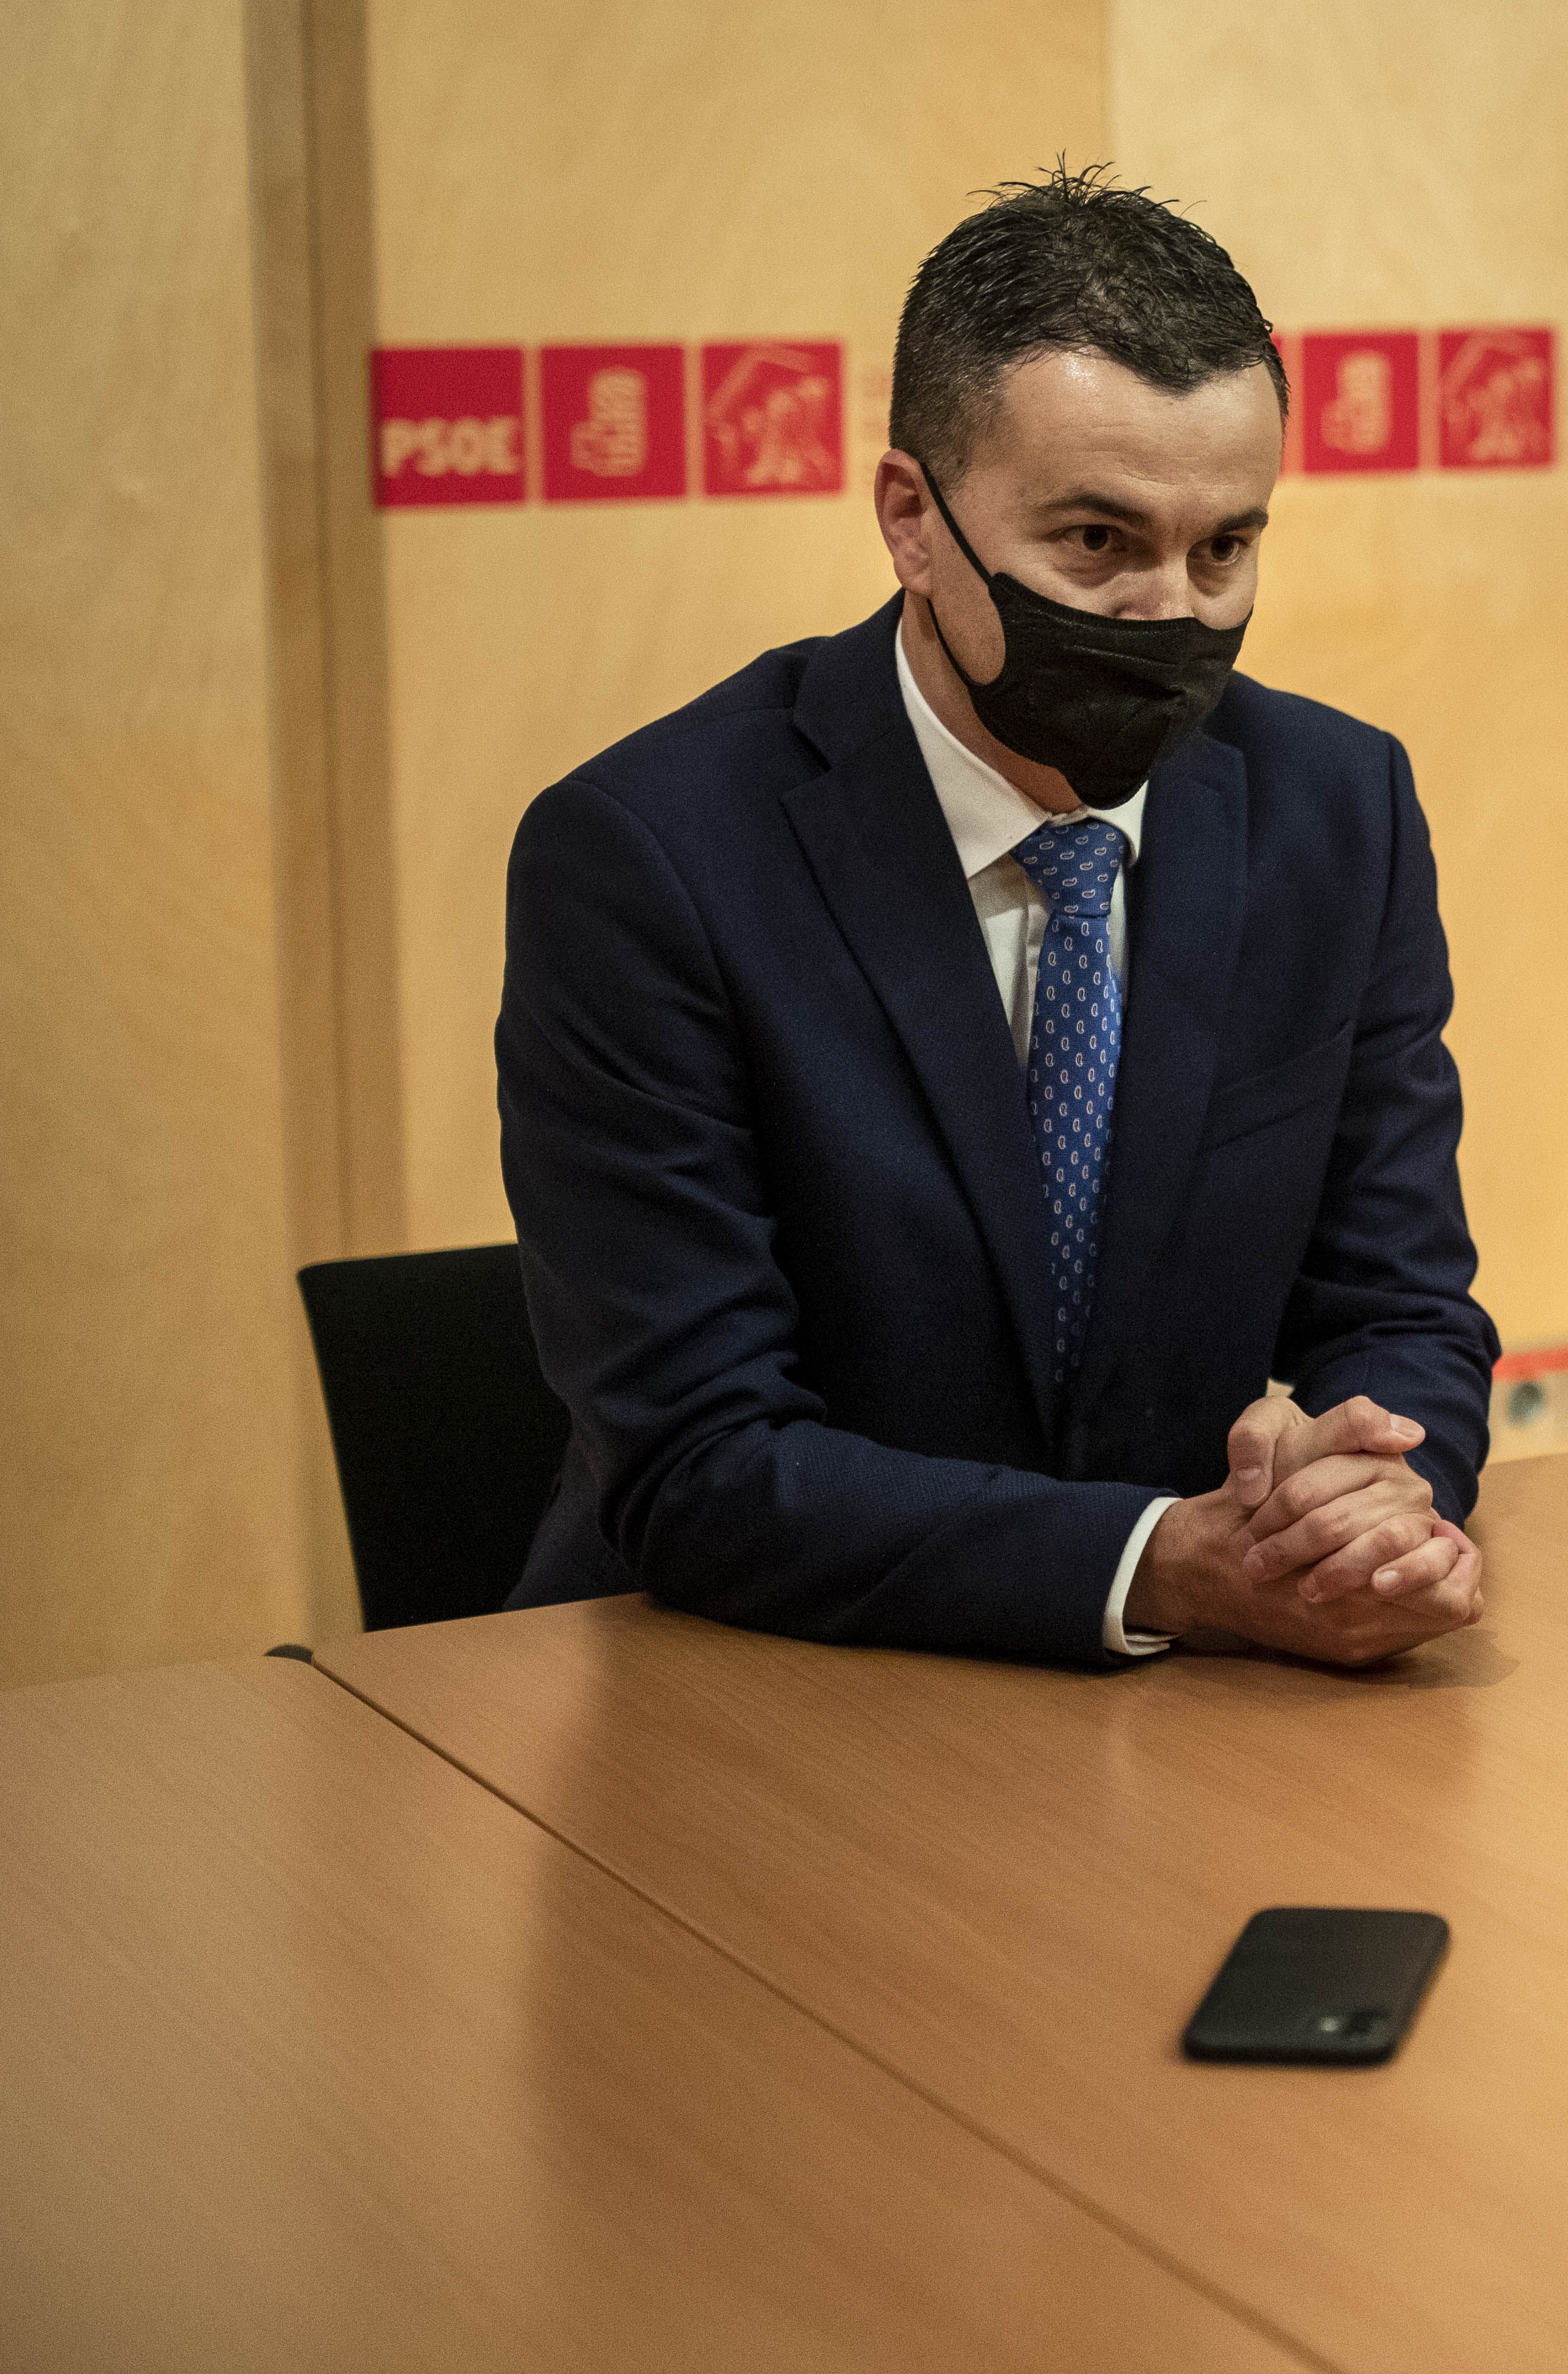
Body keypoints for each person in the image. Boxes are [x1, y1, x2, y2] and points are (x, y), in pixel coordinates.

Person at [500, 168, 1494, 1667]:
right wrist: (1154, 1564)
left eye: (1224, 548)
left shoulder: (1337, 813)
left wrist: (1372, 1506)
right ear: (913, 519)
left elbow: (1402, 1302)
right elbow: (701, 1457)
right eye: (1096, 540)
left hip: (1200, 1700)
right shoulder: (651, 857)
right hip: (752, 1681)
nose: (1169, 611)